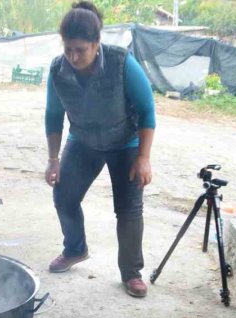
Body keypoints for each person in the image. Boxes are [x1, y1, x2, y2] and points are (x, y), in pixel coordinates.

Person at [44, 1, 156, 298]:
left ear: (96, 44)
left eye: (80, 50)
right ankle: (75, 249)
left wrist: (143, 158)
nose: (73, 56)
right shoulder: (57, 70)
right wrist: (53, 160)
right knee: (64, 196)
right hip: (83, 141)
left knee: (129, 208)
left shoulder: (121, 63)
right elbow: (53, 116)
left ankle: (131, 273)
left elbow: (146, 110)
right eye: (68, 49)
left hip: (125, 143)